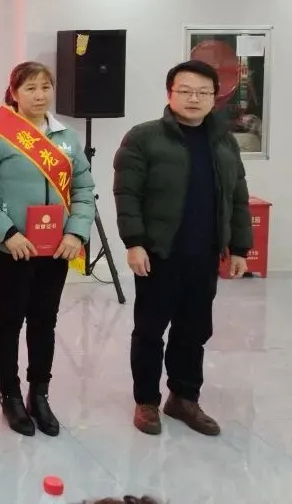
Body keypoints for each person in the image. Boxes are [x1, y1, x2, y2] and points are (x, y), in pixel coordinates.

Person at [113, 60, 251, 437]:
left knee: (194, 330)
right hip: (159, 253)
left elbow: (238, 196)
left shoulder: (224, 141)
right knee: (150, 330)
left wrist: (239, 247)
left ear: (214, 97)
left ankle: (184, 397)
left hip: (205, 253)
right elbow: (127, 194)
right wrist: (134, 243)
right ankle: (146, 401)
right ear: (170, 94)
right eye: (185, 91)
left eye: (203, 92)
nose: (194, 98)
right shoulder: (144, 137)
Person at [0, 61, 95, 437]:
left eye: (45, 87)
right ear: (14, 93)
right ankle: (9, 395)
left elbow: (83, 188)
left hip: (56, 249)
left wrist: (76, 234)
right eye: (30, 88)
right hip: (12, 249)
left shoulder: (67, 138)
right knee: (9, 320)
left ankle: (39, 393)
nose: (40, 95)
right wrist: (6, 232)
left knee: (45, 321)